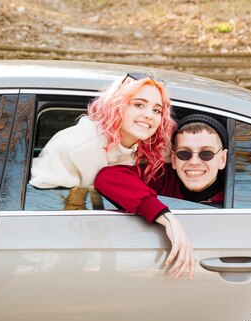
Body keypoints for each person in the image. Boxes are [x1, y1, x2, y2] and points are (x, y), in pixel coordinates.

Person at [95, 113, 229, 279]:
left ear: (222, 159)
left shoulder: (239, 197)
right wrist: (167, 218)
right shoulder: (159, 178)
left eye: (206, 153)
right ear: (173, 158)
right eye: (184, 154)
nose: (194, 161)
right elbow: (107, 177)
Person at [30, 72, 175, 190]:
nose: (149, 115)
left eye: (157, 110)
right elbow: (41, 196)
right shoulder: (78, 146)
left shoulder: (146, 145)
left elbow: (187, 156)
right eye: (139, 105)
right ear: (117, 105)